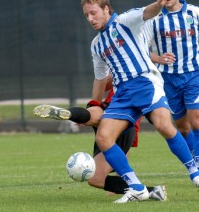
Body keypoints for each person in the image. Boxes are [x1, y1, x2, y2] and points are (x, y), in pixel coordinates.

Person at [80, 0, 199, 203]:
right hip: (122, 94)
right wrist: (94, 105)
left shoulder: (124, 21)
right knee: (103, 138)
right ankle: (137, 188)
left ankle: (196, 174)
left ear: (106, 9)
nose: (90, 18)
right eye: (86, 15)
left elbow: (147, 13)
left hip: (145, 82)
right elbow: (100, 79)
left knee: (163, 125)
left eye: (93, 13)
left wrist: (159, 3)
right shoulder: (97, 45)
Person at [33, 86, 167, 201]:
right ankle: (149, 191)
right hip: (122, 120)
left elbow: (103, 79)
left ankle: (73, 114)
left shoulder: (121, 72)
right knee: (99, 172)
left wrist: (94, 104)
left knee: (95, 177)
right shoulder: (143, 82)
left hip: (110, 109)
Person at [145, 0, 199, 175]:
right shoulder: (153, 20)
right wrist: (158, 58)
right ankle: (193, 160)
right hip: (168, 79)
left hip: (193, 74)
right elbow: (142, 50)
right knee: (183, 127)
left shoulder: (195, 13)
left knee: (196, 122)